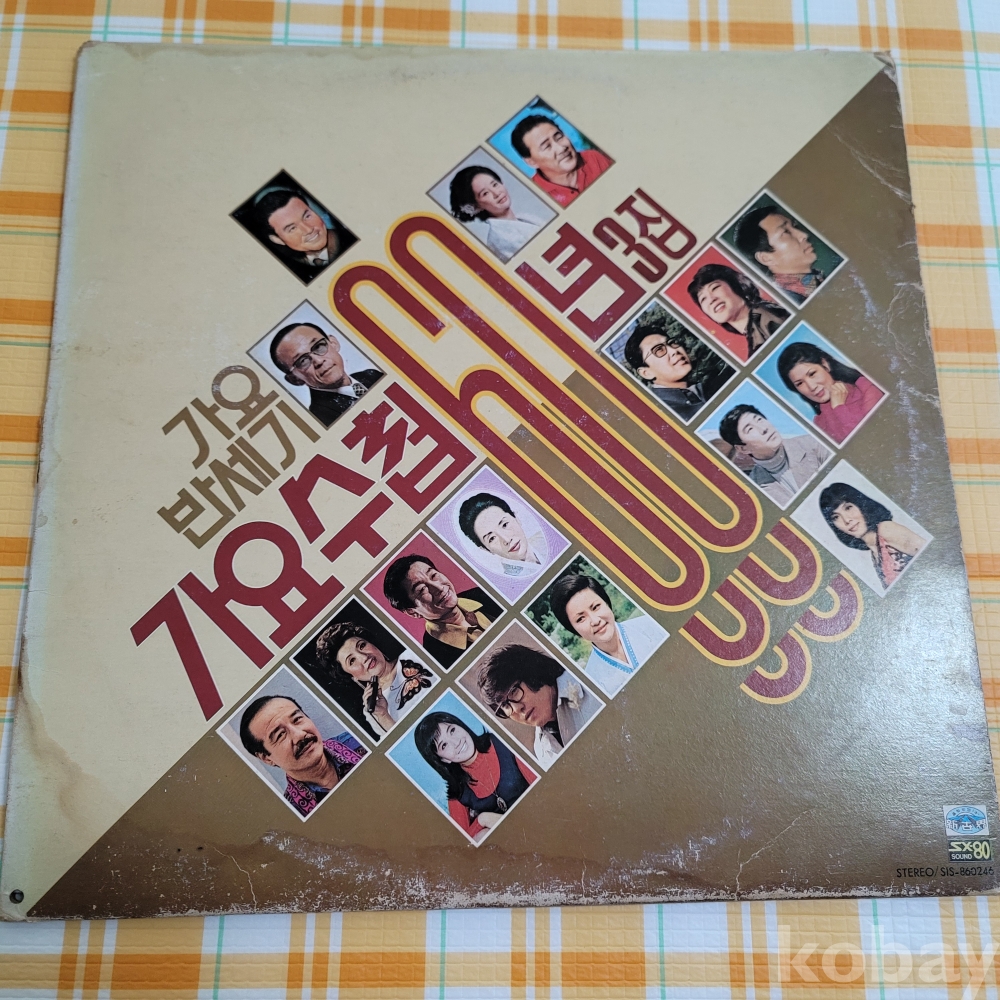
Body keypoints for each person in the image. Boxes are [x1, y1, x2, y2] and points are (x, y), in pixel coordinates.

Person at [414, 711, 536, 841]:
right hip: (516, 839)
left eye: (452, 730)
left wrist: (489, 819)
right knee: (482, 835)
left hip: (536, 816)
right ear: (443, 760)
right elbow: (463, 842)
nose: (456, 742)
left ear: (461, 726)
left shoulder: (502, 742)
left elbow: (540, 788)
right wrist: (482, 820)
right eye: (444, 745)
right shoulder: (458, 792)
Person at [239, 695, 366, 817]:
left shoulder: (362, 741)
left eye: (297, 720)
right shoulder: (293, 817)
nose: (299, 735)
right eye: (280, 735)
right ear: (267, 758)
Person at [477, 644, 600, 767]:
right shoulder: (540, 749)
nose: (516, 709)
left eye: (514, 691)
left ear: (532, 674)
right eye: (505, 705)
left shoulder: (589, 683)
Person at [547, 573, 664, 696]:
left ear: (606, 602)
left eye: (595, 607)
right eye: (581, 618)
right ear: (573, 629)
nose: (595, 621)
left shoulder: (653, 625)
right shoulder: (593, 684)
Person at [314, 621, 434, 735]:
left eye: (362, 646)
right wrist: (383, 715)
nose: (364, 657)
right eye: (352, 660)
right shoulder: (372, 711)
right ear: (351, 676)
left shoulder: (414, 654)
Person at [383, 554, 502, 669]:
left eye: (434, 575)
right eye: (422, 589)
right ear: (412, 612)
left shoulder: (483, 593)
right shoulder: (436, 657)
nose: (439, 587)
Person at [622, 310, 733, 421]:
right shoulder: (660, 416)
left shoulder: (716, 385)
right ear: (646, 373)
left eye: (671, 343)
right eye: (659, 350)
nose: (674, 351)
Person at [270, 322, 383, 427]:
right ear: (295, 379)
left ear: (333, 343)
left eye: (318, 346)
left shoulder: (372, 375)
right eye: (302, 361)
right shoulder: (321, 421)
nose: (319, 361)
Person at [717, 403, 830, 506]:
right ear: (743, 448)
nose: (763, 429)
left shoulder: (813, 444)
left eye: (759, 420)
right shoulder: (754, 490)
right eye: (750, 429)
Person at [819, 483, 926, 590]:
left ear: (861, 504)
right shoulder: (874, 552)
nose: (846, 520)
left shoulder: (886, 529)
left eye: (848, 508)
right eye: (836, 517)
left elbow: (930, 554)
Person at [776, 342, 884, 444]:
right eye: (800, 383)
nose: (812, 387)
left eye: (812, 374)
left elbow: (869, 439)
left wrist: (839, 408)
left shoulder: (869, 389)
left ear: (825, 364)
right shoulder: (819, 424)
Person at [687, 263, 789, 361]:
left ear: (737, 286)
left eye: (715, 288)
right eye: (703, 299)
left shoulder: (764, 316)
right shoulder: (755, 330)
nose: (711, 299)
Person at [732, 205, 831, 304]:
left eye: (794, 226)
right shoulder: (785, 303)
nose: (803, 235)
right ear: (766, 258)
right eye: (786, 232)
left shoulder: (817, 280)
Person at [509, 114, 611, 207]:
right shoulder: (535, 197)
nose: (561, 148)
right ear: (532, 162)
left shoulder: (593, 158)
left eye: (559, 137)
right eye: (547, 146)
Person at [253, 188, 354, 279]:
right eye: (292, 228)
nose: (308, 229)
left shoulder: (349, 238)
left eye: (307, 216)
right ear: (277, 240)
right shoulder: (289, 270)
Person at [448, 166, 544, 262]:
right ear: (476, 206)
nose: (497, 193)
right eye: (485, 193)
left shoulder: (524, 218)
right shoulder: (500, 240)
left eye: (495, 184)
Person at [457, 492, 545, 578]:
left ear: (516, 518)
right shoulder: (511, 580)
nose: (506, 539)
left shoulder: (543, 540)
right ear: (486, 549)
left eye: (505, 524)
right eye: (492, 538)